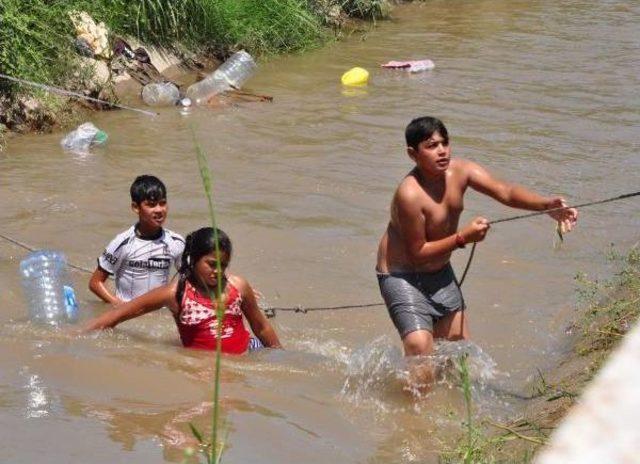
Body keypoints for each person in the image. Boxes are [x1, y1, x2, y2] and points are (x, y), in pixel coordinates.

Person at [376, 116, 578, 360]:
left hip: (438, 271)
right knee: (420, 347)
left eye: (444, 143)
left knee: (456, 350)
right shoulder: (409, 194)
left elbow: (505, 191)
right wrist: (463, 237)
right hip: (402, 275)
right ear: (412, 154)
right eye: (431, 146)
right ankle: (409, 397)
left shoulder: (462, 171)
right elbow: (417, 253)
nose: (441, 151)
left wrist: (546, 205)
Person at [84, 227, 282, 354]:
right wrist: (76, 334)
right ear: (193, 260)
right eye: (212, 264)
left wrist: (280, 356)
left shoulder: (238, 286)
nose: (219, 271)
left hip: (249, 351)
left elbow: (261, 327)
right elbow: (119, 314)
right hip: (204, 367)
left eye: (224, 264)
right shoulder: (175, 293)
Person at [89, 175, 185, 305]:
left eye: (162, 203)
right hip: (128, 315)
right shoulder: (122, 243)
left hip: (159, 313)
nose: (159, 210)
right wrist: (119, 307)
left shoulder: (176, 242)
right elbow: (95, 283)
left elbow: (189, 279)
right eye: (151, 205)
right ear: (135, 207)